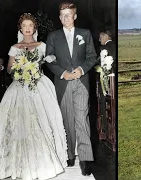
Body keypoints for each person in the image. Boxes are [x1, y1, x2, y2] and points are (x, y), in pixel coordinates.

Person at [0, 13, 68, 180]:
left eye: (30, 25)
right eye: (24, 26)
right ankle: (14, 162)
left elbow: (51, 62)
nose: (27, 29)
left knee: (41, 120)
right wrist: (19, 68)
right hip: (19, 86)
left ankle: (42, 163)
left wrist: (38, 67)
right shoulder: (15, 47)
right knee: (17, 122)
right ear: (20, 28)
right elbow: (9, 69)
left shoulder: (42, 45)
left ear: (34, 28)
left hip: (39, 85)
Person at [45, 2, 97, 176]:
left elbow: (92, 56)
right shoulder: (53, 36)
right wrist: (62, 73)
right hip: (63, 83)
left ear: (75, 16)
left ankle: (85, 159)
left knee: (82, 119)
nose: (65, 18)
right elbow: (49, 59)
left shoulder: (85, 34)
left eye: (68, 15)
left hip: (82, 82)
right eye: (62, 15)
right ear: (59, 17)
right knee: (67, 120)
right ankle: (69, 155)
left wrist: (81, 69)